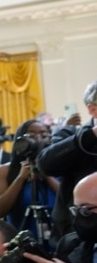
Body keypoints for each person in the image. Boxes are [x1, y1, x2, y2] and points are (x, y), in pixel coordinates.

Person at [37, 80, 97, 243]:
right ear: (93, 109)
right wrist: (91, 136)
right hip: (76, 235)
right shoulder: (69, 135)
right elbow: (46, 165)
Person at [0, 119, 58, 247]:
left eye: (44, 135)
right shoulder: (4, 171)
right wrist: (20, 178)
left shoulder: (60, 168)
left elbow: (69, 201)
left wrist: (47, 176)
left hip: (57, 239)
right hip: (20, 242)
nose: (38, 139)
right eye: (31, 135)